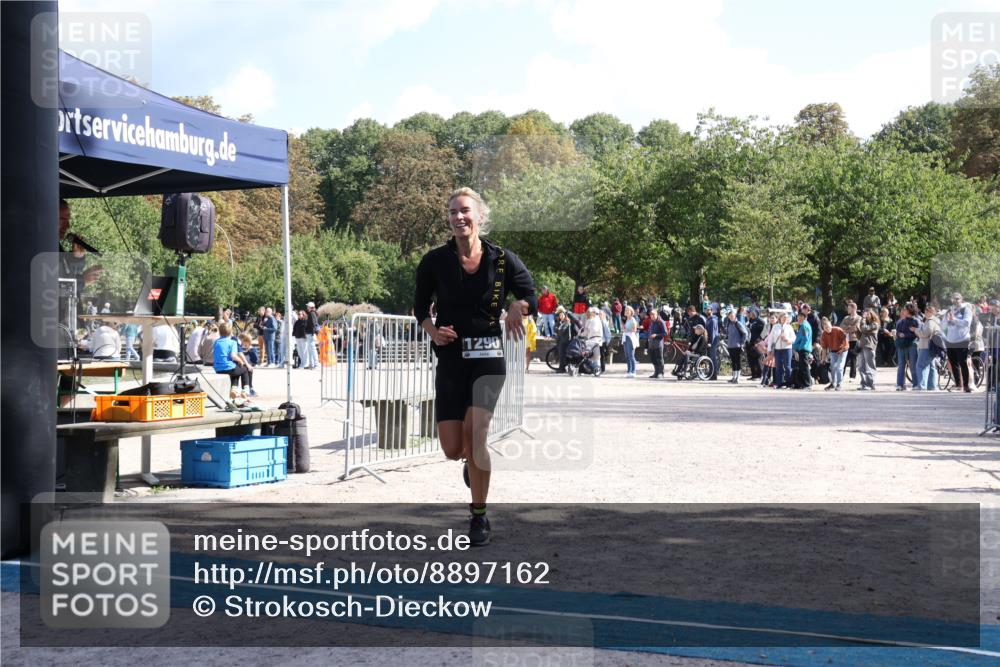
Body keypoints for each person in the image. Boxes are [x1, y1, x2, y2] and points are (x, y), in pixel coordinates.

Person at [414, 187, 536, 547]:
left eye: (464, 211)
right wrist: (433, 332)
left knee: (476, 435)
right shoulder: (434, 261)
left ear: (480, 216)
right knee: (454, 448)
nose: (458, 218)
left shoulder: (502, 260)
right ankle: (471, 462)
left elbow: (533, 296)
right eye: (452, 212)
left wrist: (518, 308)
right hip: (451, 359)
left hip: (487, 360)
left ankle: (479, 516)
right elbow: (420, 307)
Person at [942, 292, 974, 393]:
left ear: (961, 299)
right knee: (953, 363)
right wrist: (947, 321)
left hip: (962, 339)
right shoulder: (949, 310)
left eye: (957, 298)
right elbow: (943, 324)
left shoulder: (966, 310)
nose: (955, 300)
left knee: (963, 362)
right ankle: (958, 385)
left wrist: (954, 320)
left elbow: (967, 323)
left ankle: (966, 386)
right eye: (953, 299)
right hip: (950, 340)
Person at [214, 322, 255, 400]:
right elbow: (233, 355)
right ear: (230, 333)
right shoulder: (232, 342)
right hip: (228, 368)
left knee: (236, 371)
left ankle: (234, 390)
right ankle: (245, 390)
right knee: (244, 369)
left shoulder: (216, 342)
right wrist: (240, 361)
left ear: (219, 332)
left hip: (218, 368)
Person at [914, 305, 943, 391]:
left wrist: (916, 331)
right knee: (931, 366)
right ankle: (932, 386)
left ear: (931, 312)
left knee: (921, 365)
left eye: (927, 311)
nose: (925, 313)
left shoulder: (930, 321)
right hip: (932, 346)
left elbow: (926, 333)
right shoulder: (936, 321)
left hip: (926, 346)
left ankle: (922, 386)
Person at [893, 304, 920, 391]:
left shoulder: (916, 321)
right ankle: (900, 384)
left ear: (909, 311)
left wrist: (905, 335)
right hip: (901, 345)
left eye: (905, 309)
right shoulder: (900, 322)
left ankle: (916, 384)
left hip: (912, 345)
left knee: (913, 365)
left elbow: (917, 334)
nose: (903, 311)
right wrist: (898, 334)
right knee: (901, 365)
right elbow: (897, 332)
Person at [819, 317, 848, 391]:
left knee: (839, 367)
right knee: (833, 367)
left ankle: (839, 384)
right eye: (825, 328)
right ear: (823, 328)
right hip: (833, 351)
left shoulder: (838, 330)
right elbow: (824, 348)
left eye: (828, 327)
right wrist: (823, 359)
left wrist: (842, 349)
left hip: (842, 350)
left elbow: (845, 341)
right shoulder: (824, 334)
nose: (828, 329)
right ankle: (833, 383)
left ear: (831, 324)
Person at [771, 312, 795, 389]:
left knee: (787, 366)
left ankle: (789, 383)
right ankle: (779, 383)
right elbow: (771, 339)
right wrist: (769, 349)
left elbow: (794, 338)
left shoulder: (789, 327)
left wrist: (788, 340)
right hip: (778, 349)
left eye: (786, 317)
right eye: (783, 317)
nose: (785, 318)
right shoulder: (775, 327)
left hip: (787, 348)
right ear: (780, 318)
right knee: (778, 366)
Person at [723, 310, 749, 384]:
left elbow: (745, 333)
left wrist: (742, 343)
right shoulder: (729, 324)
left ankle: (737, 377)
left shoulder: (738, 323)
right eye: (730, 316)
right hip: (730, 346)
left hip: (737, 346)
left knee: (737, 362)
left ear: (735, 316)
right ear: (728, 317)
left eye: (732, 316)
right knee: (733, 362)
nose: (731, 317)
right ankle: (734, 377)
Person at [858, 309, 880, 390]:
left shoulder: (875, 324)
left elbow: (864, 329)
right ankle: (863, 384)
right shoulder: (864, 322)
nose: (865, 315)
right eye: (864, 314)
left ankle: (870, 384)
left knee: (870, 366)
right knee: (861, 366)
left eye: (867, 314)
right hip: (863, 346)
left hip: (869, 346)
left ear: (872, 315)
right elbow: (860, 330)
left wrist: (863, 319)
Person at [840, 301, 862, 383]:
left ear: (853, 309)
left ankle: (852, 376)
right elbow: (841, 326)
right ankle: (841, 374)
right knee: (844, 358)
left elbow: (856, 328)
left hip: (854, 339)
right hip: (846, 339)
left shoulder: (859, 318)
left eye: (849, 308)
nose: (847, 310)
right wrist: (848, 327)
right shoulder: (846, 318)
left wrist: (847, 328)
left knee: (853, 357)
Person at [792, 311, 814, 389]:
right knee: (802, 367)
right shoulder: (803, 325)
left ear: (805, 318)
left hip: (803, 349)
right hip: (802, 348)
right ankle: (802, 384)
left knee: (805, 367)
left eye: (801, 317)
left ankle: (808, 384)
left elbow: (805, 338)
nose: (799, 318)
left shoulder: (804, 326)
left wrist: (799, 347)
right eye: (798, 317)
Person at [554, 307, 579, 373]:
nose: (561, 317)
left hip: (565, 340)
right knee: (561, 354)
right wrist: (557, 328)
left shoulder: (567, 322)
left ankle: (562, 368)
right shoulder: (560, 322)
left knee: (562, 354)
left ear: (564, 315)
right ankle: (561, 367)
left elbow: (561, 330)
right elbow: (555, 329)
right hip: (561, 340)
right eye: (560, 315)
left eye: (562, 315)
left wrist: (557, 329)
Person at [646, 307, 667, 378]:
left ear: (656, 314)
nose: (652, 316)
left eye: (653, 314)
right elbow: (649, 331)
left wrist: (656, 335)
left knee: (660, 358)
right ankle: (656, 372)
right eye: (651, 314)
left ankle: (661, 373)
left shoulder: (661, 322)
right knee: (653, 358)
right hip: (651, 343)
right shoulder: (651, 322)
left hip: (658, 343)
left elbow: (665, 333)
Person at [746, 309, 765, 380]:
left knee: (757, 359)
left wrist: (759, 340)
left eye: (752, 312)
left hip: (757, 343)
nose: (751, 314)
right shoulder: (749, 321)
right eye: (750, 312)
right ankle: (753, 374)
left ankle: (759, 375)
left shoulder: (760, 321)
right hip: (749, 343)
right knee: (750, 359)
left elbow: (764, 332)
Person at [622, 305, 639, 378]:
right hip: (625, 337)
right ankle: (629, 371)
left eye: (628, 310)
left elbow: (635, 330)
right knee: (627, 356)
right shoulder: (627, 320)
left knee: (631, 355)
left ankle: (633, 371)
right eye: (625, 310)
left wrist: (626, 330)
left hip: (630, 338)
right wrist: (624, 328)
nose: (626, 311)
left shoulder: (633, 319)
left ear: (631, 312)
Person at [703, 307, 720, 381]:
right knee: (710, 358)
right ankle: (710, 373)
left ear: (712, 311)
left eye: (708, 310)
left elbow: (713, 333)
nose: (707, 311)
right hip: (710, 341)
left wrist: (710, 342)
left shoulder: (713, 320)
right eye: (706, 310)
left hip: (713, 341)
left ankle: (714, 375)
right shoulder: (708, 319)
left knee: (713, 358)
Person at [304, 302, 321, 369]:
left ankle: (316, 364)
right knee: (310, 349)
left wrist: (313, 333)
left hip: (310, 333)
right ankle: (312, 364)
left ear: (310, 307)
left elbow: (314, 324)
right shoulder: (312, 313)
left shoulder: (312, 313)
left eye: (308, 306)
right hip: (310, 333)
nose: (307, 307)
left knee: (312, 349)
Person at [524, 305, 537, 371]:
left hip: (528, 338)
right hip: (521, 338)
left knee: (528, 353)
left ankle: (527, 367)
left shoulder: (530, 319)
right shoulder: (519, 317)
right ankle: (521, 367)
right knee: (522, 353)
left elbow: (534, 329)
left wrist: (532, 338)